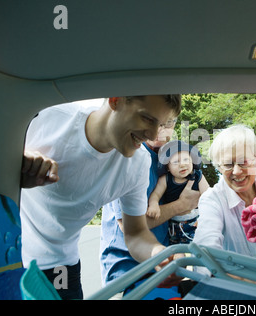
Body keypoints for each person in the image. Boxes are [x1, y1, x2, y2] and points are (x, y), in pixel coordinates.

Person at [20, 95, 182, 299]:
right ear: (115, 99)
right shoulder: (46, 117)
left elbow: (136, 234)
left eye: (161, 125)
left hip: (59, 265)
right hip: (7, 256)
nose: (152, 134)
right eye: (147, 119)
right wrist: (15, 169)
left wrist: (157, 254)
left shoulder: (138, 164)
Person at [100, 126, 201, 299]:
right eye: (156, 122)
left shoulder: (171, 160)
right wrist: (181, 204)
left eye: (168, 122)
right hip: (128, 272)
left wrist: (175, 250)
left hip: (163, 269)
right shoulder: (127, 157)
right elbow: (130, 226)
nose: (160, 129)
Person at [193, 125, 256, 276]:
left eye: (244, 162)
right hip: (229, 281)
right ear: (219, 168)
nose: (237, 171)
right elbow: (206, 247)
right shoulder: (212, 199)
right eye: (228, 164)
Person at [146, 140, 209, 245]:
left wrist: (207, 217)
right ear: (167, 167)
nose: (182, 165)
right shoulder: (166, 179)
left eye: (186, 160)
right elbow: (156, 194)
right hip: (174, 224)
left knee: (199, 247)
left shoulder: (198, 176)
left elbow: (208, 197)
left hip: (196, 220)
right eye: (176, 162)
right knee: (176, 250)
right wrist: (153, 204)